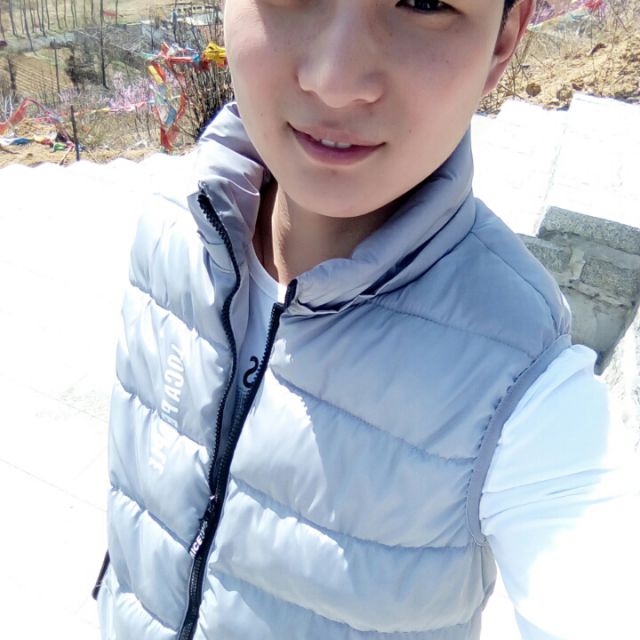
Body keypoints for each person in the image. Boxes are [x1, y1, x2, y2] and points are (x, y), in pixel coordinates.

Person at [94, 1, 640, 638]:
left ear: (503, 39)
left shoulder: (522, 387)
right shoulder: (173, 228)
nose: (334, 79)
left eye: (424, 1)